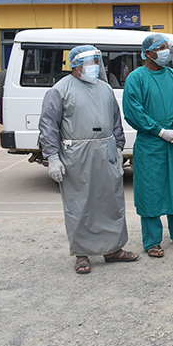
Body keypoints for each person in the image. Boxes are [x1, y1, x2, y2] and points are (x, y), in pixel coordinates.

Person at [39, 45, 138, 274]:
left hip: (106, 151)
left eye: (96, 61)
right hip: (76, 155)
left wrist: (118, 147)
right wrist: (53, 157)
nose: (94, 67)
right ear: (75, 65)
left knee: (110, 202)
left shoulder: (104, 88)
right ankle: (81, 253)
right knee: (80, 204)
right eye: (89, 62)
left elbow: (115, 121)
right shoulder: (59, 90)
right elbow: (48, 125)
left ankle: (113, 249)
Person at [123, 34, 173, 259]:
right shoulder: (136, 79)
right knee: (151, 191)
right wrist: (159, 131)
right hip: (150, 143)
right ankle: (152, 241)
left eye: (168, 47)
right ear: (148, 53)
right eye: (162, 48)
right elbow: (134, 112)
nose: (167, 51)